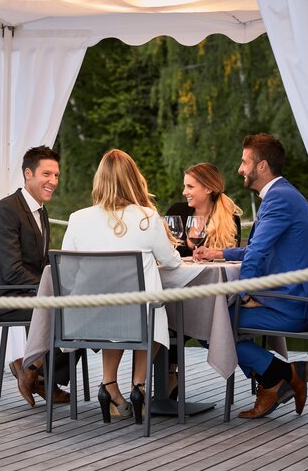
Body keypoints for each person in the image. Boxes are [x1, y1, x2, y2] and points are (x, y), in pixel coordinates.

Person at [194, 134, 308, 419]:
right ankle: (278, 378)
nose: (240, 168)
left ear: (261, 166)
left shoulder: (279, 200)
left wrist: (244, 294)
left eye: (244, 161)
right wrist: (221, 254)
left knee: (206, 323)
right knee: (211, 319)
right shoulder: (282, 195)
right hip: (293, 297)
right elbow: (256, 249)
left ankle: (279, 377)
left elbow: (257, 253)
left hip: (292, 304)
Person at [62, 149, 182, 424]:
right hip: (137, 315)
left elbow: (68, 269)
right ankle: (139, 386)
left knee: (115, 312)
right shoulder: (147, 218)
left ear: (99, 180)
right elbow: (171, 262)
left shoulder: (78, 218)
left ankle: (109, 384)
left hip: (89, 315)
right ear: (134, 179)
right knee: (150, 312)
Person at [0, 145, 74, 408]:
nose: (53, 181)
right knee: (70, 312)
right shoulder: (6, 210)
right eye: (47, 174)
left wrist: (66, 278)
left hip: (32, 293)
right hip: (6, 298)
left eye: (57, 175)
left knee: (81, 307)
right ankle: (39, 374)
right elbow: (13, 270)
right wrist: (51, 288)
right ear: (28, 174)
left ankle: (35, 371)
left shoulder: (40, 210)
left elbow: (42, 262)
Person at [164, 163, 242, 397]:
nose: (184, 191)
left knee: (175, 315)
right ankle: (168, 374)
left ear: (208, 188)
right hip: (179, 289)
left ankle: (169, 375)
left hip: (211, 294)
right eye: (184, 186)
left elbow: (231, 259)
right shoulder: (177, 211)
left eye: (190, 186)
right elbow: (167, 252)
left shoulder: (229, 217)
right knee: (163, 312)